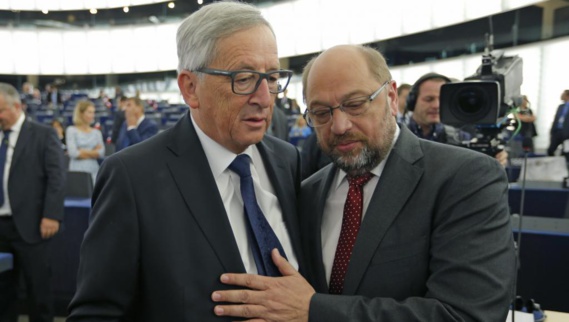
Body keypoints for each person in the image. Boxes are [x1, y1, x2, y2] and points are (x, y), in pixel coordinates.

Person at [210, 45, 516, 322]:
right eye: (320, 113)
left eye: (355, 104)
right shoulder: (308, 193)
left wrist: (314, 310)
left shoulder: (466, 178)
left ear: (392, 98)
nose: (339, 126)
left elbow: (466, 315)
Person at [68, 2, 303, 320]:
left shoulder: (287, 160)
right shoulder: (132, 177)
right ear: (191, 88)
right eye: (244, 78)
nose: (265, 98)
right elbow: (96, 313)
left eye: (273, 77)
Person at [0, 83, 66, 322]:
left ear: (16, 106)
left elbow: (56, 177)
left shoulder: (42, 134)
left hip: (32, 224)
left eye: (0, 111)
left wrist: (52, 214)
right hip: (1, 228)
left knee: (38, 290)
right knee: (3, 292)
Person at [406, 72, 508, 165]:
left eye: (441, 99)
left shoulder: (460, 139)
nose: (436, 105)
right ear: (412, 101)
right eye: (429, 99)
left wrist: (495, 159)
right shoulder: (396, 137)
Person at [65, 100, 105, 183]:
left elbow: (101, 153)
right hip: (76, 170)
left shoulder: (97, 132)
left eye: (93, 112)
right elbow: (73, 153)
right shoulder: (71, 130)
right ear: (81, 113)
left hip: (94, 170)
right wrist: (94, 152)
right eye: (89, 112)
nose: (92, 115)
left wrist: (81, 151)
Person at [547, 89, 569, 161]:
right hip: (557, 131)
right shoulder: (560, 106)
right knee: (550, 150)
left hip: (567, 134)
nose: (561, 95)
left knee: (566, 153)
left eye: (563, 94)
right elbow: (556, 119)